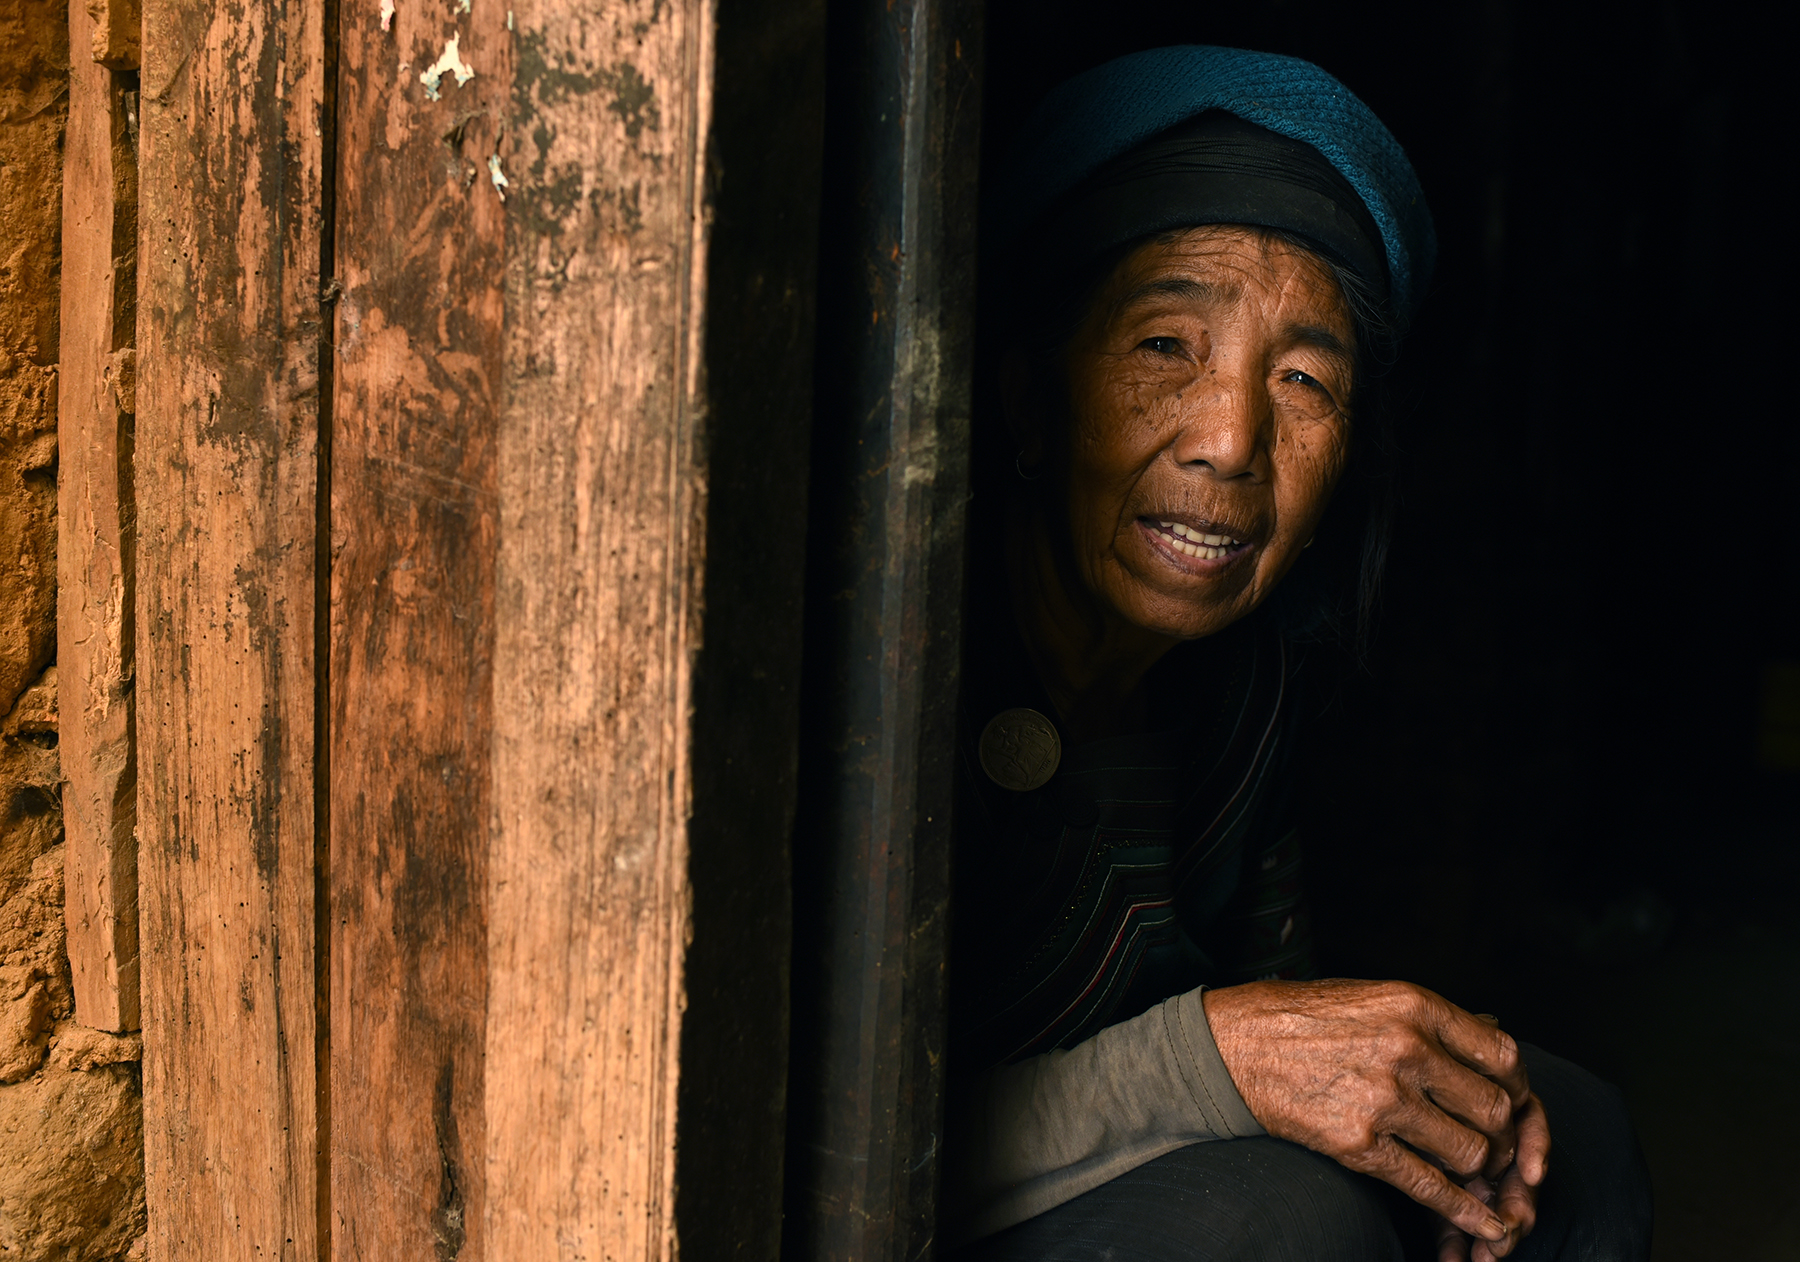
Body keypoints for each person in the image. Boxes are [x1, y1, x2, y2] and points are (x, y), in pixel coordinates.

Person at [943, 47, 1652, 1261]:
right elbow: (804, 1122)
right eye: (1166, 345)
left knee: (1567, 1131)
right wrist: (1214, 1058)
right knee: (1283, 1226)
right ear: (1029, 396)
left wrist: (1410, 1096)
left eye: (1304, 378)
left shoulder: (1245, 682)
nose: (1230, 439)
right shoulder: (905, 660)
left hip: (1117, 1167)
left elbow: (1281, 1017)